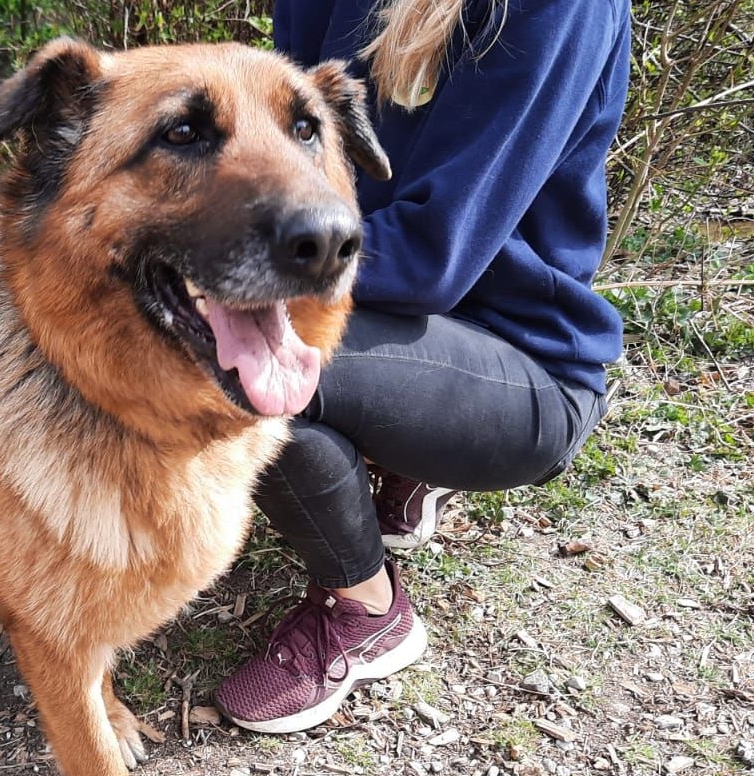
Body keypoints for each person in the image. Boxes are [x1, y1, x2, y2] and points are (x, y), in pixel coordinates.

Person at [213, 0, 633, 734]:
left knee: (238, 372)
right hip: (397, 317)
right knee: (213, 339)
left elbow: (434, 254)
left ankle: (368, 612)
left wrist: (226, 262)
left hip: (526, 358)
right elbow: (295, 163)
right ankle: (405, 454)